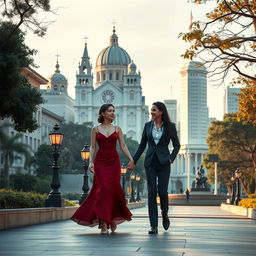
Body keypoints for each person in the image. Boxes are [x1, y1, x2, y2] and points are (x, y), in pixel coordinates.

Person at [71, 104, 134, 234]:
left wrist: (131, 159)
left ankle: (111, 219)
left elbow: (123, 145)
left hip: (114, 162)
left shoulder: (117, 129)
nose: (112, 113)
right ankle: (104, 222)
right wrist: (91, 162)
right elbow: (93, 147)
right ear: (103, 113)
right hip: (100, 162)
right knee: (102, 189)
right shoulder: (95, 129)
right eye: (110, 111)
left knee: (112, 190)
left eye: (113, 111)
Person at [129, 101, 180, 234]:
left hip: (164, 162)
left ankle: (164, 213)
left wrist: (171, 158)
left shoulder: (171, 127)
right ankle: (154, 226)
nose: (151, 112)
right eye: (151, 110)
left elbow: (177, 145)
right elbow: (142, 146)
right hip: (150, 162)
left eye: (154, 110)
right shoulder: (147, 126)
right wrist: (133, 160)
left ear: (161, 112)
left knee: (162, 191)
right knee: (152, 193)